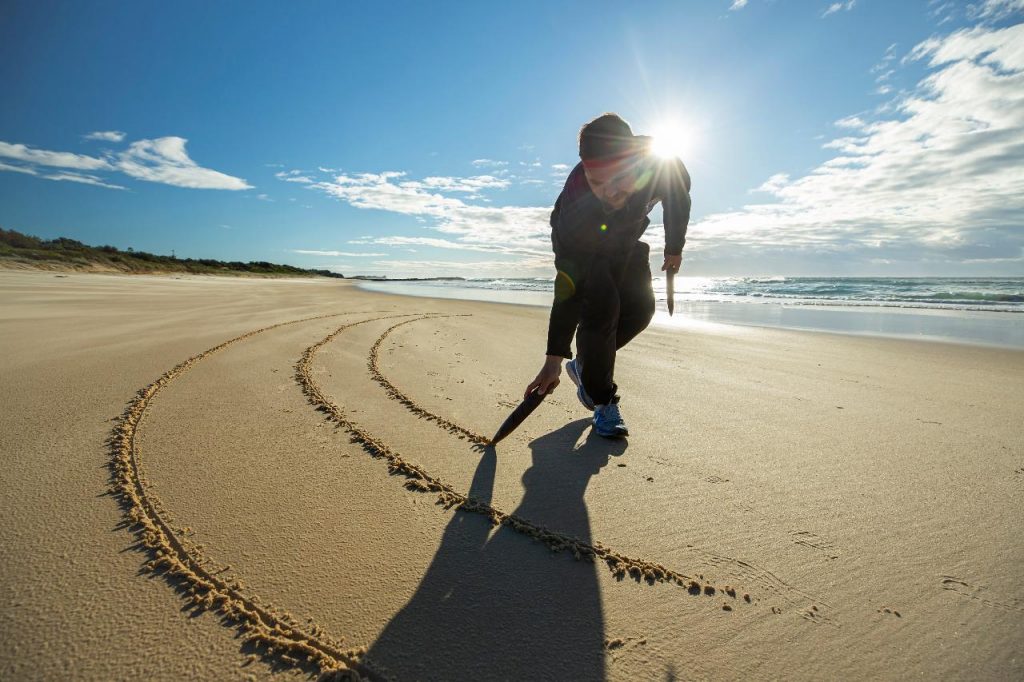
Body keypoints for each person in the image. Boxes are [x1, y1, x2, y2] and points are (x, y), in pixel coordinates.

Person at [524, 112, 692, 437]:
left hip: (626, 241)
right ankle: (602, 401)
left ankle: (586, 367)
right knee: (601, 311)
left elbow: (679, 201)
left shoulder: (664, 164)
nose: (609, 193)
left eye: (619, 179)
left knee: (641, 311)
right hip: (586, 247)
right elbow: (569, 289)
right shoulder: (575, 212)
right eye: (597, 181)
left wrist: (674, 248)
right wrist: (554, 359)